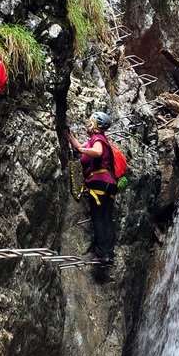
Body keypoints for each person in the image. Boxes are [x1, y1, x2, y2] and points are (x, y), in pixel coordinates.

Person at [68, 112, 118, 265]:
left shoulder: (98, 139)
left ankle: (103, 254)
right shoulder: (94, 140)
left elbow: (97, 152)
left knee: (98, 219)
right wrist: (68, 134)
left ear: (96, 126)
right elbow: (77, 147)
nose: (87, 125)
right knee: (107, 219)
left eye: (90, 122)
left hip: (99, 182)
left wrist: (83, 151)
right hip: (109, 184)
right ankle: (109, 254)